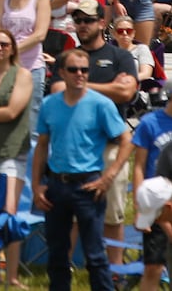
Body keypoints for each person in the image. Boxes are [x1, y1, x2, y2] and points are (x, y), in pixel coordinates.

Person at [32, 47, 134, 291]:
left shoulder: (101, 104)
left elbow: (126, 140)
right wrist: (37, 185)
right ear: (61, 73)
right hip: (56, 184)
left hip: (88, 185)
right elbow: (42, 146)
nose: (80, 74)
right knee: (57, 254)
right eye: (73, 69)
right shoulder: (49, 104)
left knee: (96, 255)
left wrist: (109, 176)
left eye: (84, 70)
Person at [127, 76, 172, 291]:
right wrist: (140, 205)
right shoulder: (150, 123)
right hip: (156, 203)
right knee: (153, 267)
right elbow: (138, 166)